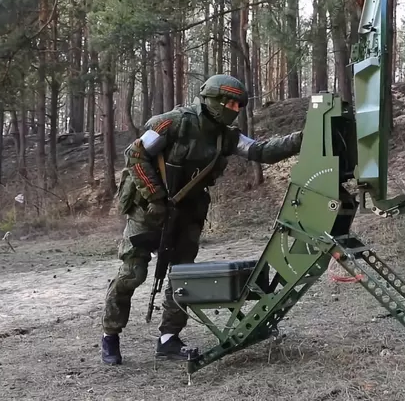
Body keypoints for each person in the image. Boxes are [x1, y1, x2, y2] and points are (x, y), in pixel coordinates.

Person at [100, 74, 303, 365]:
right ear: (213, 100)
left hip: (187, 214)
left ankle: (169, 339)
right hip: (148, 211)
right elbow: (135, 154)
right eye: (230, 103)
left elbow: (261, 151)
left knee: (183, 276)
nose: (235, 109)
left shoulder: (226, 136)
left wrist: (301, 139)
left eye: (239, 105)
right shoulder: (173, 123)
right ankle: (110, 335)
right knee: (133, 273)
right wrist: (156, 197)